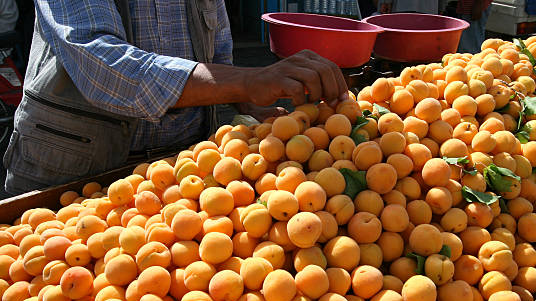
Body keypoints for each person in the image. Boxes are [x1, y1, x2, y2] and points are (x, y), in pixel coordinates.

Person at [2, 0, 348, 194]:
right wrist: (248, 81)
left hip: (181, 172)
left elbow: (218, 48)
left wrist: (248, 104)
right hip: (74, 171)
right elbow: (104, 67)